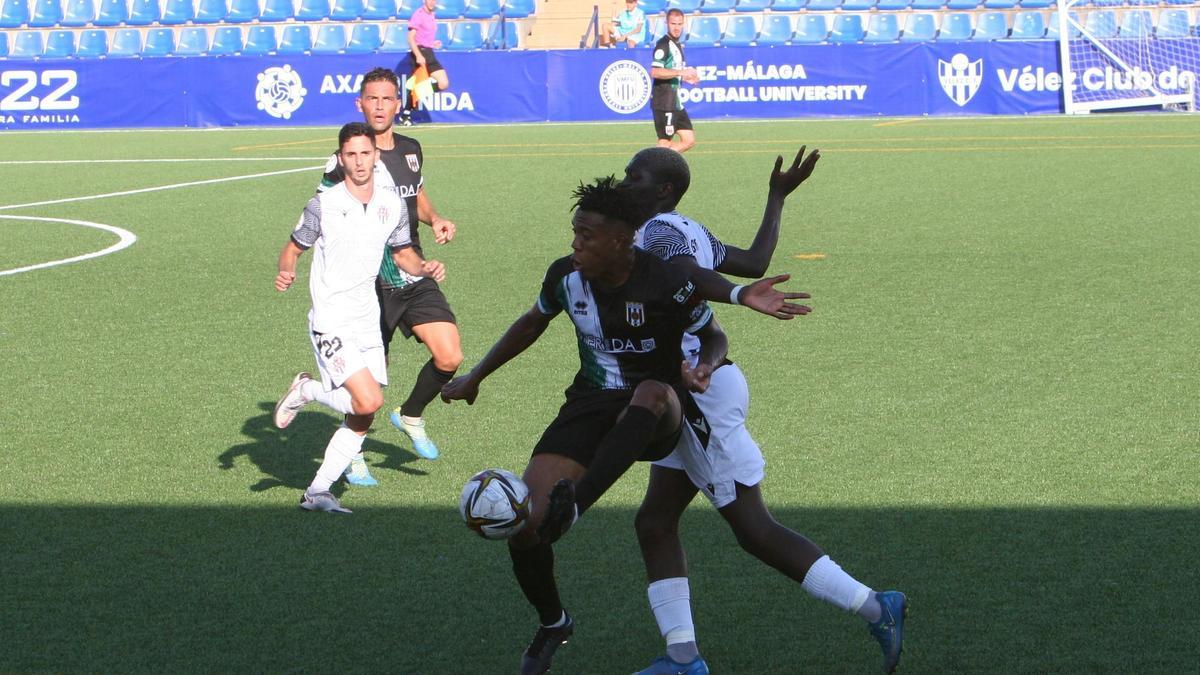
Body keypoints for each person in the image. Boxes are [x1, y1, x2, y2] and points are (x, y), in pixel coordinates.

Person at [441, 176, 810, 675]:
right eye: (575, 233)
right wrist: (476, 376)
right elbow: (532, 323)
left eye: (586, 236)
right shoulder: (565, 278)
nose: (575, 244)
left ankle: (578, 505)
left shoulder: (662, 278)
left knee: (652, 393)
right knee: (526, 525)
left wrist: (729, 320)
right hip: (590, 403)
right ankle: (554, 622)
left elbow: (712, 329)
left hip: (660, 409)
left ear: (620, 240)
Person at [617, 147, 908, 675]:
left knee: (754, 530)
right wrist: (775, 197)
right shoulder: (687, 226)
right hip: (699, 382)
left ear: (663, 190)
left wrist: (734, 294)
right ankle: (683, 657)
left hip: (697, 395)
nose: (623, 180)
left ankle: (875, 605)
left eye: (634, 175)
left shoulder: (659, 232)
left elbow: (691, 276)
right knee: (655, 521)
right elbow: (752, 262)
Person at [272, 122, 446, 514]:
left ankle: (317, 491)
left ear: (376, 155)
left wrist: (423, 267)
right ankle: (307, 392)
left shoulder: (392, 204)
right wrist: (287, 271)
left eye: (365, 153)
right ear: (340, 159)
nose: (359, 161)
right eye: (351, 154)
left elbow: (403, 253)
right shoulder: (324, 204)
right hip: (331, 318)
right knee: (369, 398)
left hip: (368, 317)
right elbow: (293, 248)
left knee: (364, 412)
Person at [316, 68, 462, 485]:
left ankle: (411, 414)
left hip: (411, 268)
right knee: (366, 381)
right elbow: (322, 214)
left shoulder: (412, 149)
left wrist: (435, 219)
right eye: (372, 99)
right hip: (367, 284)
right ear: (359, 104)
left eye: (387, 99)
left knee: (449, 355)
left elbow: (414, 196)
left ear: (398, 103)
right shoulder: (345, 159)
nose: (380, 106)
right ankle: (353, 451)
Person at [650, 9, 700, 154]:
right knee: (665, 142)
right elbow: (655, 72)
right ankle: (653, 170)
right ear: (667, 23)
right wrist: (681, 72)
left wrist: (685, 78)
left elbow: (670, 71)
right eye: (673, 23)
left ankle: (663, 163)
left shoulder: (677, 44)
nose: (677, 27)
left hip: (675, 103)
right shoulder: (663, 45)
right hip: (664, 102)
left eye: (679, 24)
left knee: (689, 140)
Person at [399, 0, 449, 126]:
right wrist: (418, 55)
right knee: (421, 85)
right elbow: (410, 38)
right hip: (421, 53)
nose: (433, 2)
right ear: (424, 1)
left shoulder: (431, 14)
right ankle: (405, 114)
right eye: (430, 0)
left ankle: (406, 111)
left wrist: (432, 44)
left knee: (442, 84)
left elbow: (424, 36)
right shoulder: (418, 14)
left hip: (429, 52)